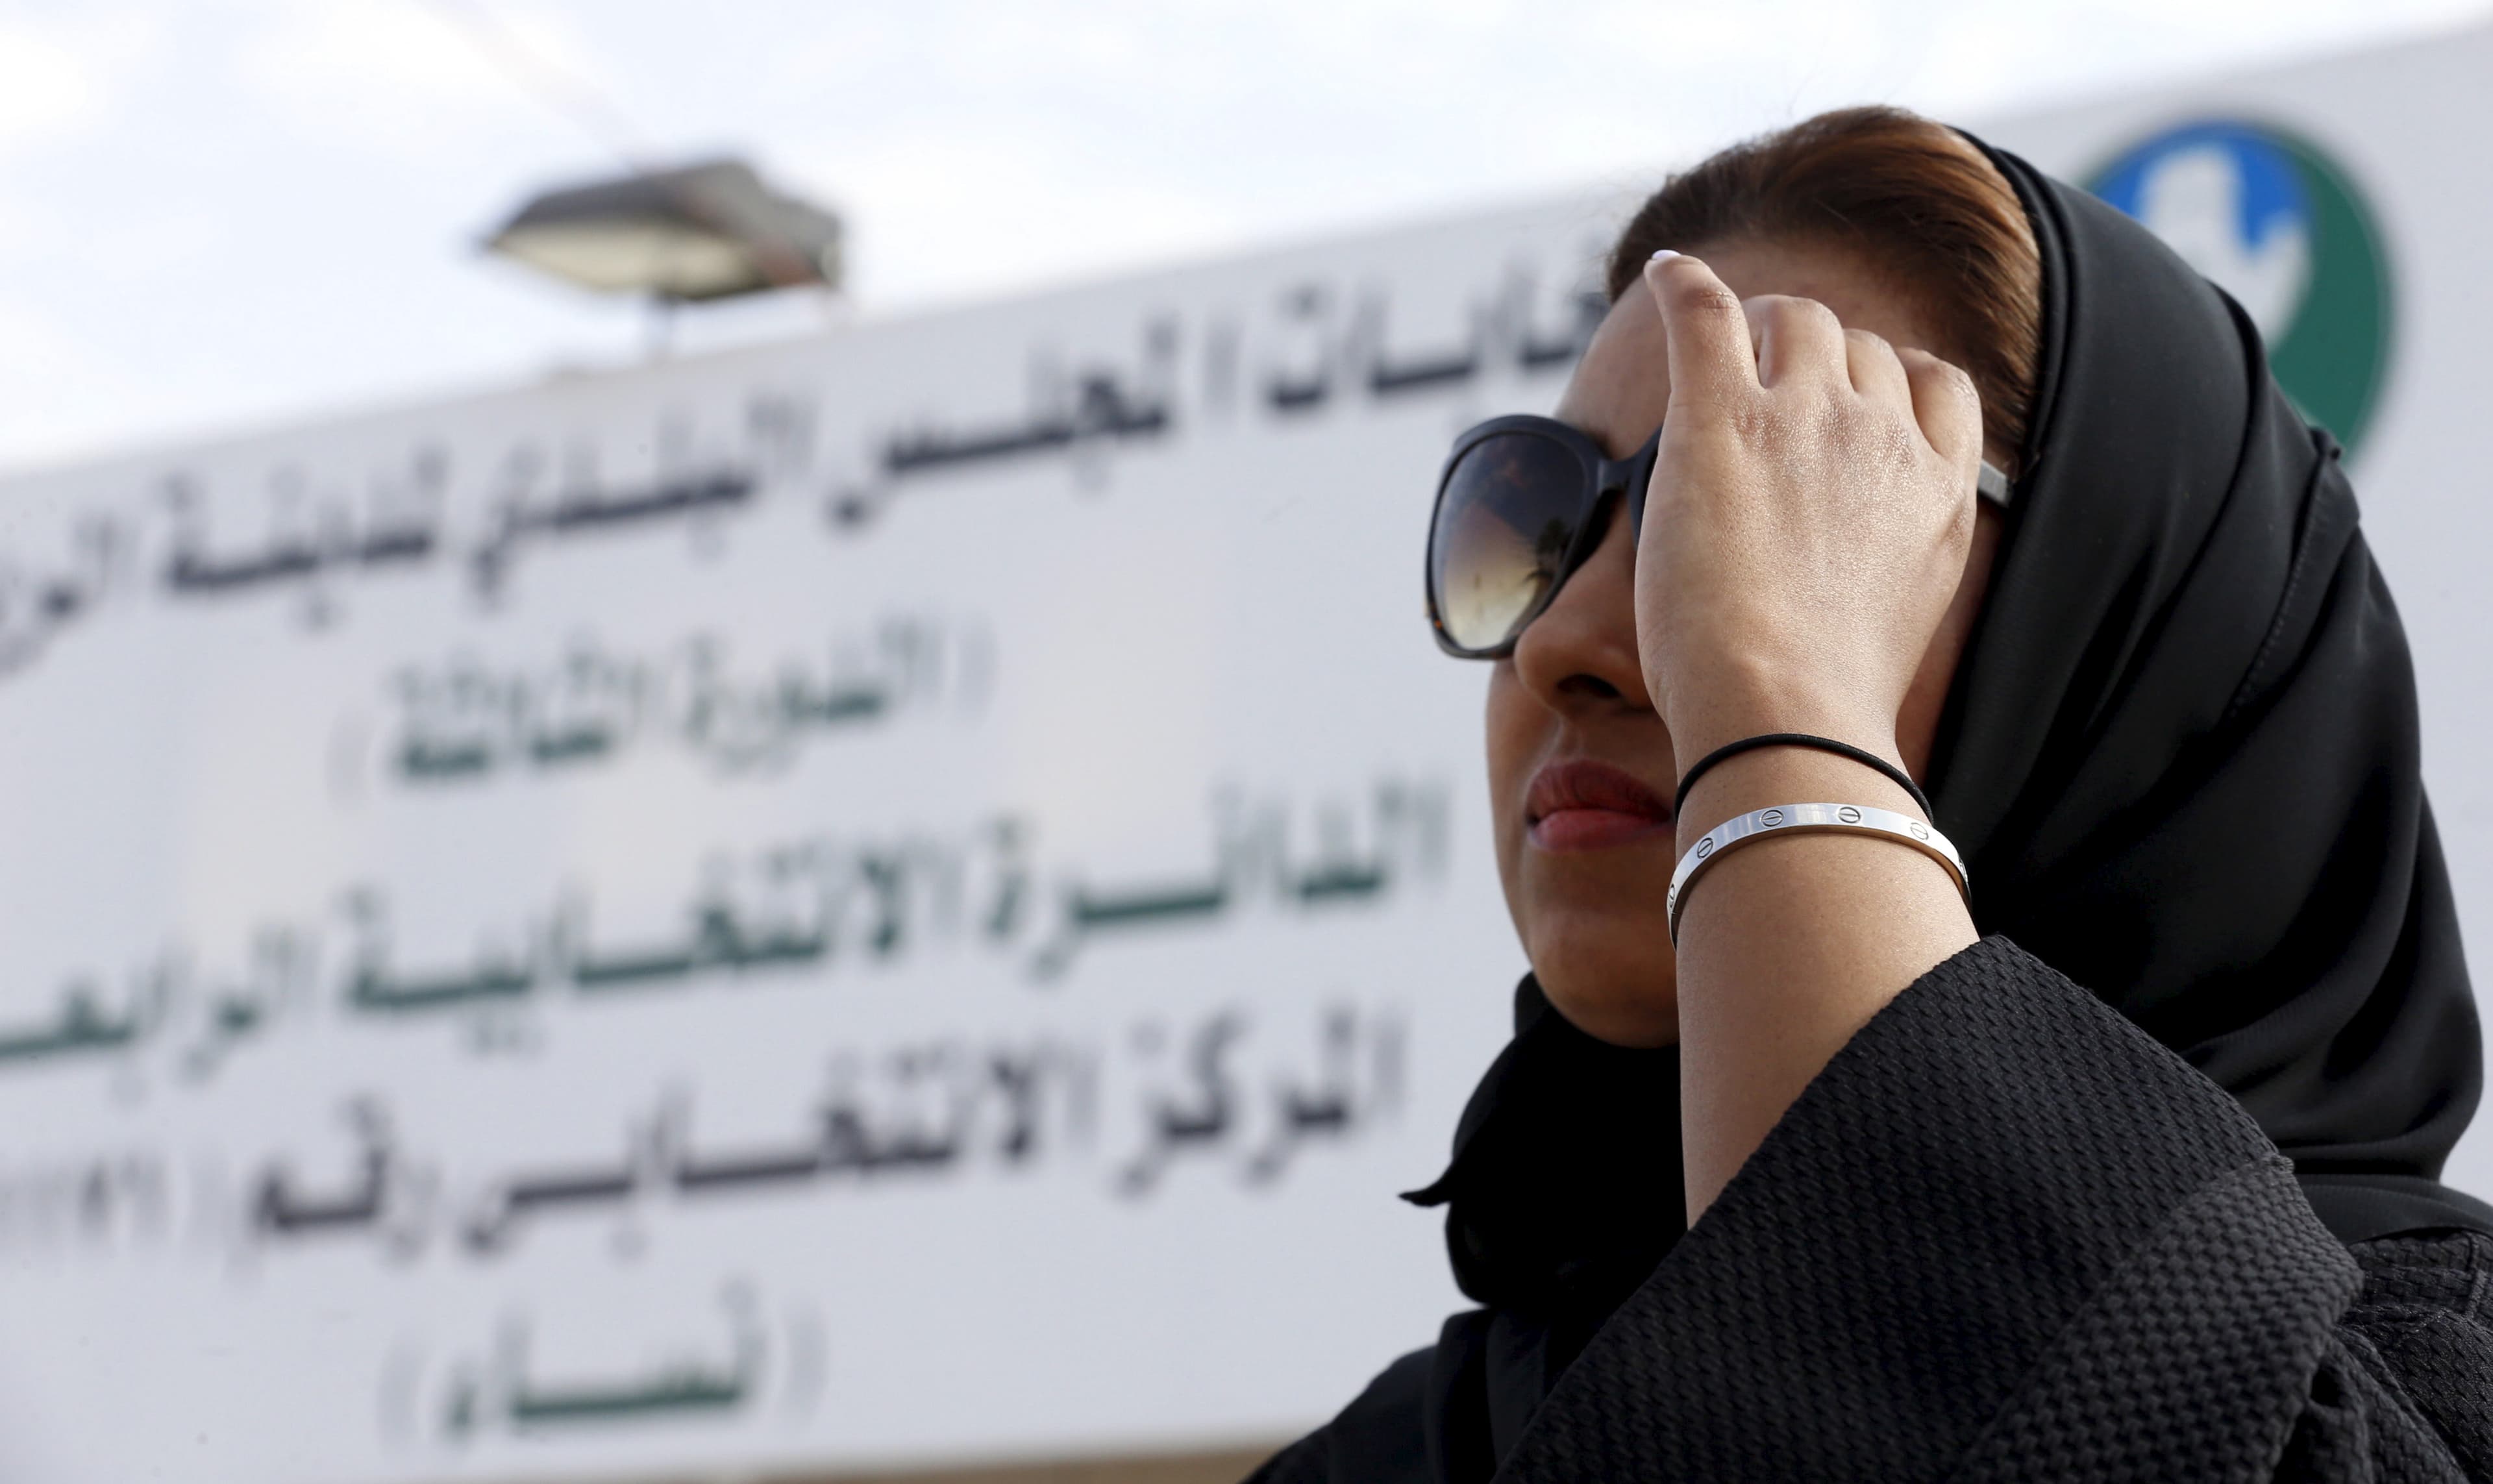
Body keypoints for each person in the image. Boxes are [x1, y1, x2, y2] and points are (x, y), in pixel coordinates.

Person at [1248, 107, 2493, 1483]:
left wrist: (1783, 710)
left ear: (2117, 640)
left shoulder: (2429, 1402)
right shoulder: (1402, 1460)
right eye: (1535, 517)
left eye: (1742, 505)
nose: (1564, 642)